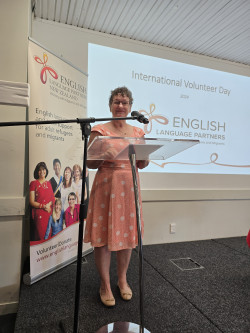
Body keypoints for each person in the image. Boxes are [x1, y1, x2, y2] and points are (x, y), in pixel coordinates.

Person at [84, 87, 149, 307]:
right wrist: (102, 155)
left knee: (127, 236)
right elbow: (89, 163)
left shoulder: (138, 132)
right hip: (106, 187)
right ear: (110, 105)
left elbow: (142, 164)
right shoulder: (99, 130)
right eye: (116, 102)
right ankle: (105, 285)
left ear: (130, 107)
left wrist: (144, 156)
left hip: (129, 188)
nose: (120, 106)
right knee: (102, 238)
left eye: (124, 102)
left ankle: (122, 280)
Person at [29, 161, 55, 241]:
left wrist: (48, 206)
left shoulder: (49, 183)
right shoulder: (33, 183)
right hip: (39, 214)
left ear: (46, 171)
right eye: (39, 170)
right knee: (41, 237)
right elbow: (31, 201)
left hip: (48, 213)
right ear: (37, 172)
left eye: (43, 169)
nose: (42, 172)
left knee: (49, 236)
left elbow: (52, 198)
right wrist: (43, 206)